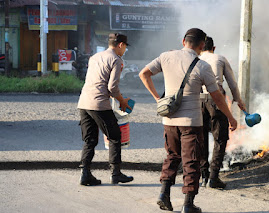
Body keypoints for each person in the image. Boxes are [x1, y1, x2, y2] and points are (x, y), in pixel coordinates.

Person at [139, 28, 238, 213]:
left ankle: (163, 194)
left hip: (169, 121)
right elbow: (217, 97)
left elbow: (143, 74)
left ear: (183, 41)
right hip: (191, 123)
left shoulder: (165, 57)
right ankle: (188, 204)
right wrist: (231, 117)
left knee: (172, 156)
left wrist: (158, 99)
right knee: (191, 162)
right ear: (202, 45)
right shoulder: (202, 66)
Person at [77, 33, 134, 186]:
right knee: (115, 136)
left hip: (84, 102)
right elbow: (112, 87)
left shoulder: (94, 57)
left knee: (90, 139)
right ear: (121, 45)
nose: (125, 51)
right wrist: (122, 101)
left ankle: (85, 173)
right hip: (99, 103)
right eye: (125, 47)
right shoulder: (116, 60)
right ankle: (116, 174)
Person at [199, 37, 246, 189]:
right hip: (215, 98)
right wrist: (238, 100)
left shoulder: (196, 58)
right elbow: (232, 83)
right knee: (220, 137)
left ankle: (203, 175)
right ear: (214, 47)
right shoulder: (220, 58)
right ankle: (213, 177)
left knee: (201, 138)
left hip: (197, 100)